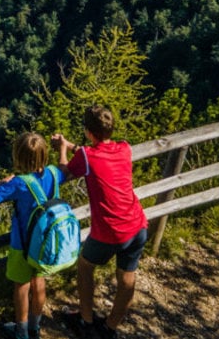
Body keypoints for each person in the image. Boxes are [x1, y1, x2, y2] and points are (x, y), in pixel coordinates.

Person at [52, 105, 148, 339]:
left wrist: (63, 149)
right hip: (137, 224)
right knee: (127, 275)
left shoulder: (86, 156)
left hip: (110, 230)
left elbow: (65, 170)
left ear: (87, 131)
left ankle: (85, 322)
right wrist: (74, 147)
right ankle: (110, 328)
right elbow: (94, 152)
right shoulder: (124, 148)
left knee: (85, 266)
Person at [0, 132, 67, 339]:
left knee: (22, 286)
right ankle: (35, 326)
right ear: (44, 155)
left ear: (18, 157)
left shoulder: (18, 183)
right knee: (39, 280)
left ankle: (21, 330)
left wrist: (0, 183)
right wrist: (62, 149)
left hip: (22, 244)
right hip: (44, 243)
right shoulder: (53, 174)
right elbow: (64, 168)